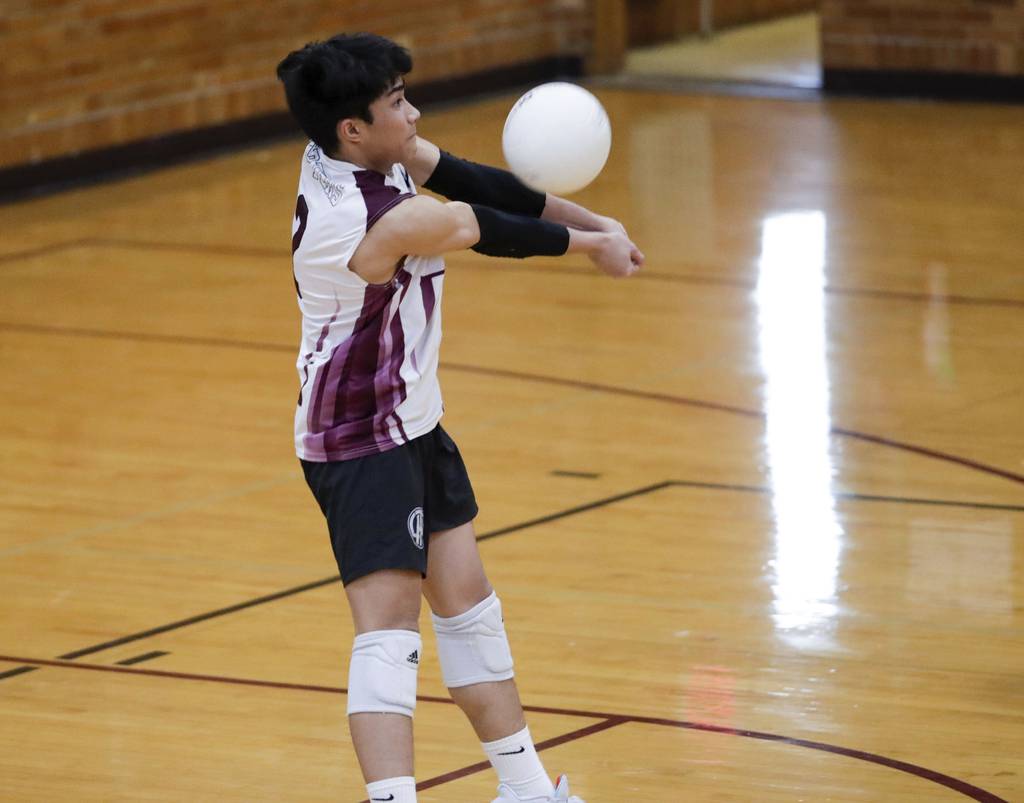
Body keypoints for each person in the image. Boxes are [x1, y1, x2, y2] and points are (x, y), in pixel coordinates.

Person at [276, 32, 643, 803]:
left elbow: (471, 179)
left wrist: (600, 221)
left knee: (470, 607)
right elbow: (484, 225)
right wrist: (589, 246)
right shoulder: (368, 219)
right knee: (388, 634)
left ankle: (527, 789)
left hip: (412, 419)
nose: (413, 113)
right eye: (398, 102)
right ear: (353, 126)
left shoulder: (361, 153)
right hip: (357, 439)